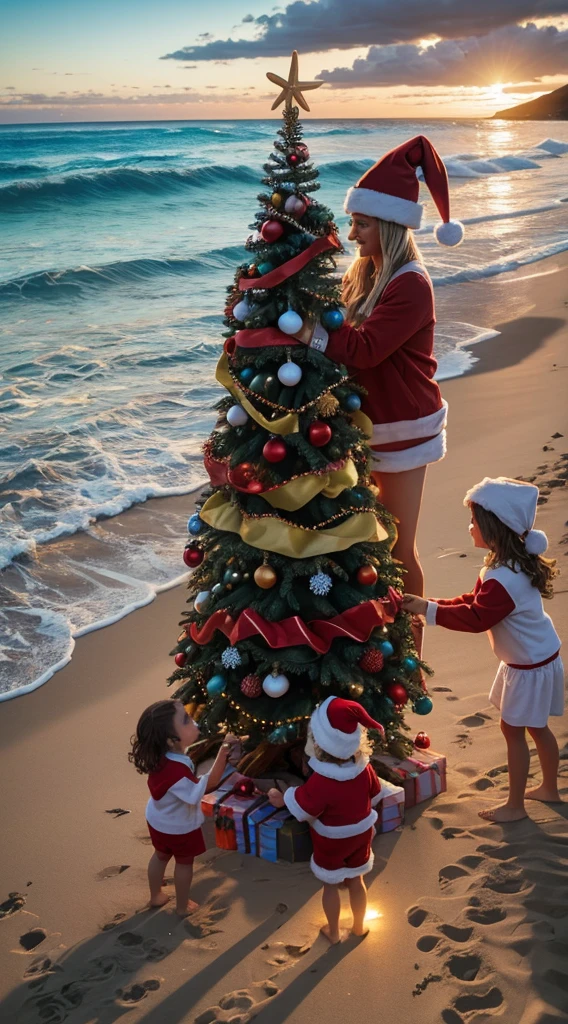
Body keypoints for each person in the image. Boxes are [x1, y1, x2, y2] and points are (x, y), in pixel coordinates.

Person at [294, 136, 464, 620]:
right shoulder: (367, 273)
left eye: (361, 223)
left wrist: (308, 333)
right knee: (367, 540)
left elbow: (365, 350)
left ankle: (413, 652)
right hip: (367, 424)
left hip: (404, 427)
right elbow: (340, 321)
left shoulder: (411, 284)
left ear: (389, 225)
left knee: (397, 546)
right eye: (351, 222)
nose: (353, 235)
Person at [402, 477, 564, 824]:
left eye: (474, 521)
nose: (470, 527)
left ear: (493, 526)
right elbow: (472, 603)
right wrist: (427, 605)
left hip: (528, 667)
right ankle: (549, 787)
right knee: (536, 728)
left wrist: (429, 610)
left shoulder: (504, 579)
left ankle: (515, 806)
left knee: (514, 730)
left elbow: (476, 617)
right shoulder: (504, 565)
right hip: (536, 658)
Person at [268, 696, 384, 943]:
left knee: (330, 885)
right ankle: (359, 926)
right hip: (361, 835)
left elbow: (305, 807)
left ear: (319, 741)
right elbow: (375, 792)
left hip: (331, 841)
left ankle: (333, 931)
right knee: (357, 879)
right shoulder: (365, 769)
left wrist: (281, 797)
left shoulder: (321, 781)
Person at [129, 699, 237, 915]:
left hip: (158, 819)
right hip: (178, 827)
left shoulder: (161, 757)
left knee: (160, 854)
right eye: (186, 720)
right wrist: (224, 750)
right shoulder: (177, 773)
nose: (194, 721)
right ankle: (181, 907)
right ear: (171, 740)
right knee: (184, 863)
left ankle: (156, 896)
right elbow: (209, 784)